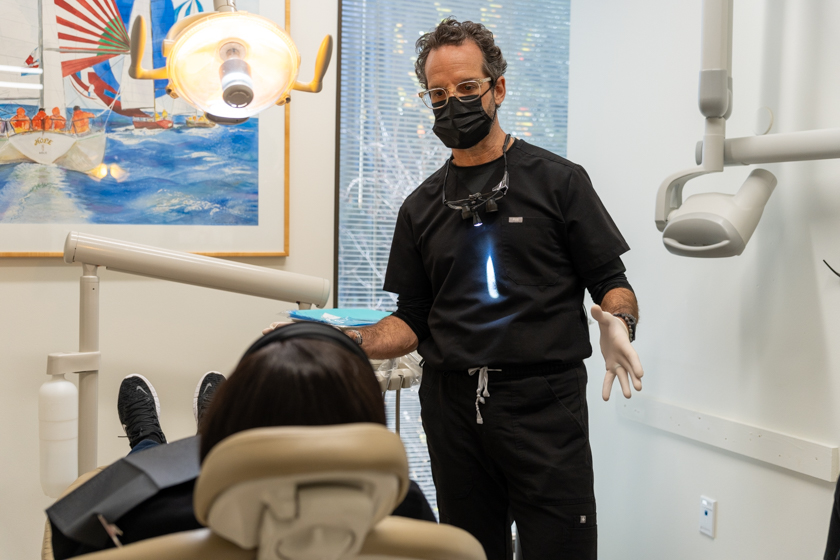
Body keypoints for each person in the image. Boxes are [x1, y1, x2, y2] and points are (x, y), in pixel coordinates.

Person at [336, 18, 643, 560]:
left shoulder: (558, 182)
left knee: (561, 548)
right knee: (467, 550)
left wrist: (621, 322)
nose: (452, 102)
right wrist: (339, 339)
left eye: (466, 88)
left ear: (498, 88)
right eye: (438, 93)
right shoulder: (421, 207)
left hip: (543, 402)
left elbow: (612, 284)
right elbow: (411, 320)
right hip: (452, 407)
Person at [47, 323, 434, 558]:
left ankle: (149, 440)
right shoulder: (406, 507)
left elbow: (70, 536)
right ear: (367, 418)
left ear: (235, 417)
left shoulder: (139, 515)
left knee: (151, 458)